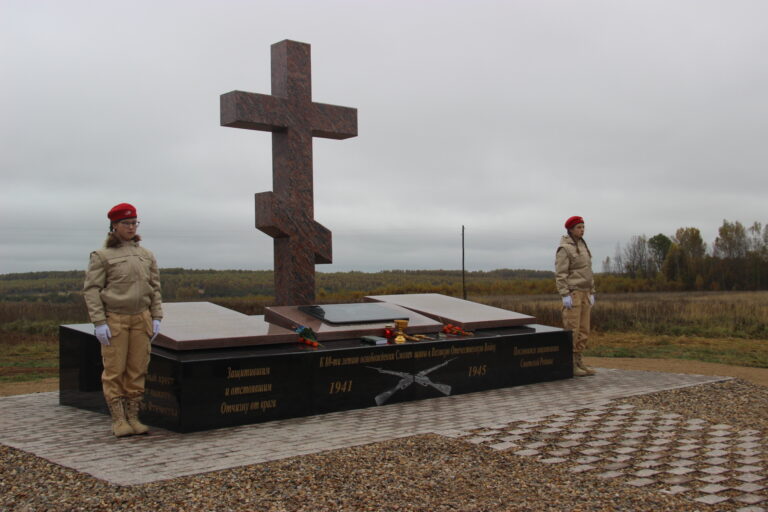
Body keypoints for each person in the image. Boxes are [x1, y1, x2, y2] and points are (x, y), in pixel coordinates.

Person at [83, 203, 163, 437]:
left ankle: (134, 417)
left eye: (134, 223)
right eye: (126, 223)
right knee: (115, 370)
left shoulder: (146, 255)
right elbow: (92, 290)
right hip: (115, 319)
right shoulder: (102, 256)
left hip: (142, 319)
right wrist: (99, 322)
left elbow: (154, 288)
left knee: (137, 369)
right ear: (114, 226)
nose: (131, 227)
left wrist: (157, 316)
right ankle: (119, 420)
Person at [555, 216, 596, 377]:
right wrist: (565, 294)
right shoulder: (565, 248)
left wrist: (592, 291)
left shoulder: (583, 246)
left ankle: (579, 360)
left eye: (583, 227)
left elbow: (588, 271)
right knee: (573, 329)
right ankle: (569, 363)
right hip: (573, 293)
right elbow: (561, 273)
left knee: (584, 330)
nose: (582, 230)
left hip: (585, 292)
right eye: (579, 227)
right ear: (571, 229)